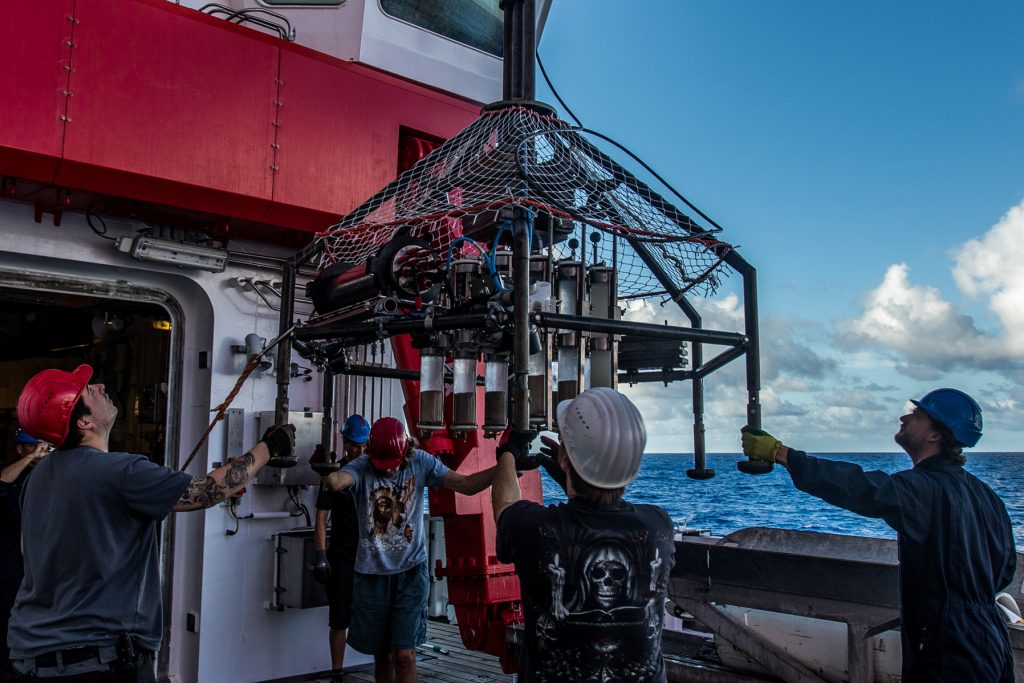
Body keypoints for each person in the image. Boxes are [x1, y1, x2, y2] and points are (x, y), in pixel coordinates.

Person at [6, 364, 295, 682]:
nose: (101, 385)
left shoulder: (39, 475)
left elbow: (26, 547)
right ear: (84, 422)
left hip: (30, 654)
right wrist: (270, 447)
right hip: (95, 661)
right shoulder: (120, 472)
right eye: (89, 390)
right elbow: (204, 493)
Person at [740, 388, 1016, 682]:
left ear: (936, 435)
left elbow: (863, 488)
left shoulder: (924, 488)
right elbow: (1004, 569)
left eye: (917, 415)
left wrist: (783, 455)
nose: (903, 416)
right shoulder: (986, 495)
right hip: (992, 639)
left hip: (951, 646)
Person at [492, 387, 676, 683]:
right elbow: (599, 516)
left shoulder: (536, 530)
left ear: (566, 457)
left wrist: (508, 454)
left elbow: (505, 508)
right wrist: (571, 473)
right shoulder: (658, 527)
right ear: (634, 464)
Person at [312, 416, 498, 683]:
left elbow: (466, 485)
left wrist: (502, 467)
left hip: (411, 573)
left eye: (393, 465)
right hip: (371, 574)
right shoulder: (361, 466)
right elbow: (339, 481)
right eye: (381, 465)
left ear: (405, 451)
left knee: (404, 655)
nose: (387, 471)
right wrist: (327, 475)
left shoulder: (422, 462)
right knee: (383, 655)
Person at [312, 414, 370, 682]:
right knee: (339, 617)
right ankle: (337, 672)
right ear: (345, 442)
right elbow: (321, 519)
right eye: (352, 444)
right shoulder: (334, 476)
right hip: (343, 553)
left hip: (371, 553)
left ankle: (383, 662)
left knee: (375, 610)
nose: (356, 450)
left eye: (361, 445)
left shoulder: (373, 473)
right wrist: (320, 556)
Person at [1, 429, 51, 675]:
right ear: (20, 448)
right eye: (32, 447)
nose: (39, 452)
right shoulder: (15, 476)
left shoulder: (50, 477)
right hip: (10, 568)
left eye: (42, 446)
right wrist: (29, 459)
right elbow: (1, 482)